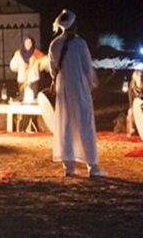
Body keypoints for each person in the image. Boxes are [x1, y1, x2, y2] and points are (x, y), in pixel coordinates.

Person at [49, 9, 106, 178]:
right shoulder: (80, 44)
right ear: (73, 25)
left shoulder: (54, 45)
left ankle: (69, 166)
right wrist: (94, 83)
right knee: (85, 124)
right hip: (79, 88)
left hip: (63, 88)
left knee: (65, 125)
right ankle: (93, 166)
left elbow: (53, 71)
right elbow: (87, 67)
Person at [126, 69, 143, 137]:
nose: (141, 78)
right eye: (139, 76)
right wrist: (132, 108)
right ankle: (132, 129)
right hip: (135, 106)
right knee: (130, 112)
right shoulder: (131, 88)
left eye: (141, 76)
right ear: (135, 78)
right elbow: (131, 101)